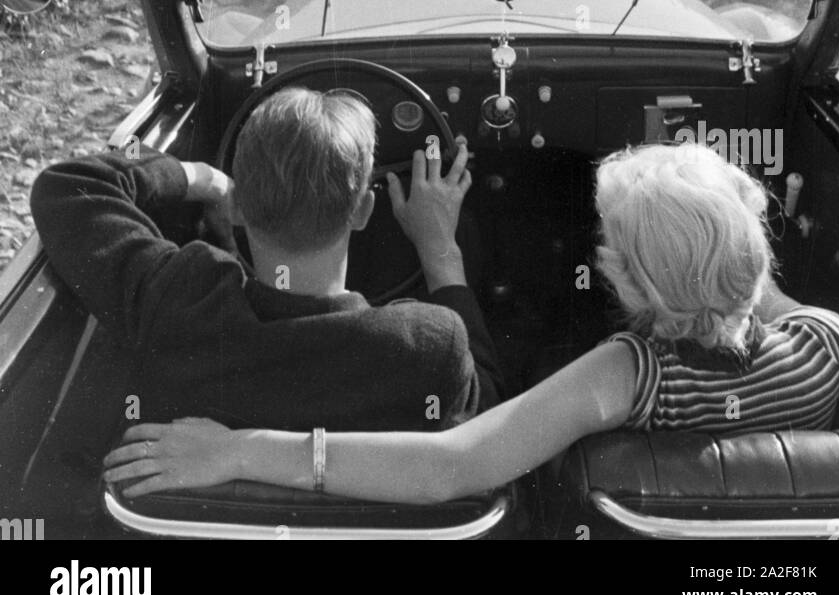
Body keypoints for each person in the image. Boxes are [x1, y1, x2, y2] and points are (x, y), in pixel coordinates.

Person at [105, 141, 839, 504]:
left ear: (619, 278)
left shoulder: (626, 374)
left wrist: (238, 450)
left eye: (611, 246)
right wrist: (705, 217)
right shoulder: (829, 343)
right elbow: (741, 284)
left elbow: (451, 467)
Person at [31, 87, 502, 436]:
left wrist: (204, 179)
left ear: (238, 208)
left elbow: (70, 184)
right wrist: (440, 247)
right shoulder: (429, 348)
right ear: (362, 210)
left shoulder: (180, 300)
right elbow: (490, 424)